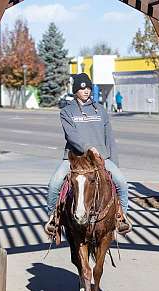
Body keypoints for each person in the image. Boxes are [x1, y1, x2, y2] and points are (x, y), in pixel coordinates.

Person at [45, 73, 131, 235]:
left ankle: (121, 217)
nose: (86, 91)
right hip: (75, 159)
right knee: (54, 184)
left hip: (101, 158)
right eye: (82, 88)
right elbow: (71, 135)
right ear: (75, 90)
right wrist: (88, 148)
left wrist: (114, 162)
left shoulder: (100, 110)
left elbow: (109, 137)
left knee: (122, 183)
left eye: (88, 88)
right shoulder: (67, 111)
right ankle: (53, 218)